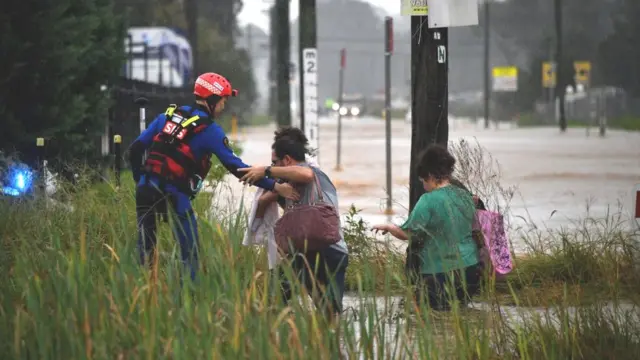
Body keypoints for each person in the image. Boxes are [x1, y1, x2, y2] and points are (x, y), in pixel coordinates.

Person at [128, 72, 298, 280]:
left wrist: (141, 181)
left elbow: (135, 150)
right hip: (175, 195)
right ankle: (188, 298)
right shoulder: (210, 130)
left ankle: (141, 293)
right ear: (212, 99)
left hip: (145, 189)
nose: (223, 107)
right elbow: (237, 168)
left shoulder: (167, 117)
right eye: (223, 101)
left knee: (145, 249)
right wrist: (276, 186)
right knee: (190, 253)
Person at [239, 127, 349, 320]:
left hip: (330, 252)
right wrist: (270, 194)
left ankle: (327, 346)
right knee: (274, 296)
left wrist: (265, 171)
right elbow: (264, 207)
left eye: (275, 162)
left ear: (287, 160)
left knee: (330, 313)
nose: (273, 167)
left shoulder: (312, 173)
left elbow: (305, 175)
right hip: (306, 254)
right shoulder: (286, 186)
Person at [372, 144, 481, 311]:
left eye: (423, 180)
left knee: (430, 321)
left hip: (441, 274)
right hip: (471, 270)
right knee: (458, 318)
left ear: (430, 175)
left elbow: (408, 233)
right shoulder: (466, 196)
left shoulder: (428, 200)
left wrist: (390, 227)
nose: (423, 185)